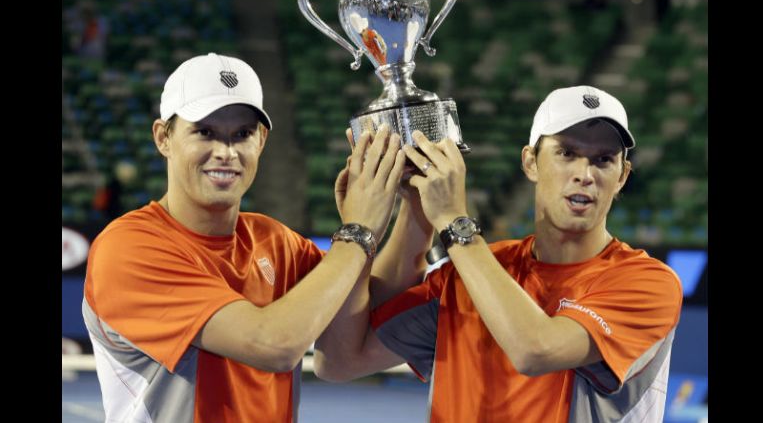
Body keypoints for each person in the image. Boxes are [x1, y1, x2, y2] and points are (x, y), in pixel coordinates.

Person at [317, 85, 683, 422]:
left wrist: (453, 221)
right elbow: (339, 361)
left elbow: (536, 350)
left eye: (603, 160)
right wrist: (402, 214)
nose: (584, 174)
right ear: (530, 163)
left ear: (622, 176)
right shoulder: (470, 274)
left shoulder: (648, 283)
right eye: (567, 153)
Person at [82, 52, 405, 422]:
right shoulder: (128, 248)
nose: (226, 152)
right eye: (204, 132)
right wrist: (356, 232)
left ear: (262, 140)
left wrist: (415, 205)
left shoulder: (277, 241)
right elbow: (272, 343)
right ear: (163, 137)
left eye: (242, 134)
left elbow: (358, 332)